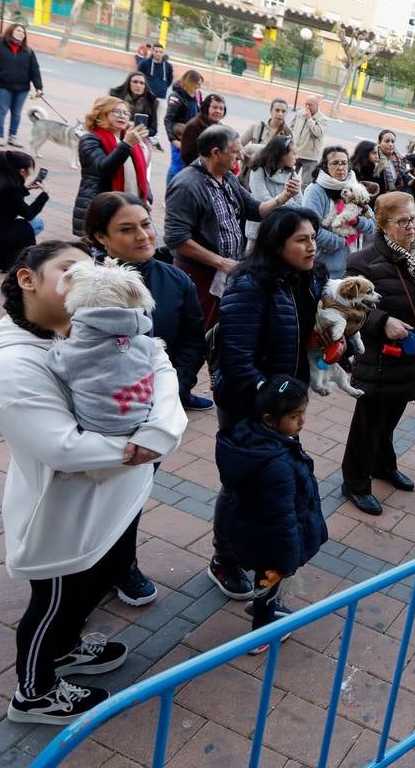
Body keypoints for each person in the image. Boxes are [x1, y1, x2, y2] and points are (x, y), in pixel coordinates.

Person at [0, 241, 186, 723]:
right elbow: (61, 447)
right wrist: (141, 447)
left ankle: (67, 648)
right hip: (61, 516)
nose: (86, 279)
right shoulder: (13, 362)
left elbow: (161, 368)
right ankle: (34, 692)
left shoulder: (101, 333)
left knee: (92, 587)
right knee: (55, 601)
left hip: (114, 499)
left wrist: (159, 431)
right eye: (69, 269)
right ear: (28, 278)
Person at [82, 192, 211, 607]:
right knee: (84, 495)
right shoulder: (81, 281)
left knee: (133, 490)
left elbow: (192, 339)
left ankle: (122, 566)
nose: (143, 234)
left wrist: (173, 388)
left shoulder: (174, 280)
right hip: (90, 414)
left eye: (145, 223)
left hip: (150, 412)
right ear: (100, 237)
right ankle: (78, 570)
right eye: (127, 228)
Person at [210, 208, 325, 594]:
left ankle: (261, 560)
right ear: (277, 245)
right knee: (242, 484)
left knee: (275, 485)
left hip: (283, 403)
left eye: (313, 237)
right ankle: (224, 560)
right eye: (302, 240)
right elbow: (236, 358)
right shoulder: (249, 284)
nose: (312, 246)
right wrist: (275, 404)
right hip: (249, 403)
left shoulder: (307, 278)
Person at [340, 192, 415, 515]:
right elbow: (348, 307)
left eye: (414, 218)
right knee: (368, 422)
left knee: (393, 413)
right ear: (383, 225)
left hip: (412, 351)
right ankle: (355, 482)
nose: (412, 226)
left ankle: (383, 464)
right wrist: (381, 321)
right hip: (380, 356)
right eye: (403, 221)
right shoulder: (363, 262)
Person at [215, 376, 326, 648]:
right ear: (269, 419)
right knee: (269, 580)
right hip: (269, 541)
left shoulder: (250, 435)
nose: (302, 422)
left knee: (265, 579)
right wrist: (286, 563)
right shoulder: (276, 464)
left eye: (303, 413)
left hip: (250, 528)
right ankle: (261, 634)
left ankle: (264, 610)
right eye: (294, 416)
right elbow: (282, 519)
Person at [164, 124, 300, 330]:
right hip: (198, 276)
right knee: (196, 334)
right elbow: (177, 239)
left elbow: (255, 209)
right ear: (216, 153)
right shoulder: (186, 185)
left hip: (222, 272)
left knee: (216, 331)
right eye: (236, 152)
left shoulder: (227, 177)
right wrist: (220, 262)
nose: (241, 157)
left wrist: (284, 197)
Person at [72, 96, 152, 238]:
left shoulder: (128, 139)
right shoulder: (90, 139)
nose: (122, 116)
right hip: (103, 208)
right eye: (116, 111)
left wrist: (147, 198)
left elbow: (140, 174)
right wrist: (127, 144)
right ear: (101, 113)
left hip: (131, 207)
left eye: (126, 113)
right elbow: (103, 170)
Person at [303, 145, 375, 278]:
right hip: (325, 268)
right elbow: (311, 229)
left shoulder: (356, 189)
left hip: (354, 266)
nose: (340, 167)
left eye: (344, 163)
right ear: (325, 166)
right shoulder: (315, 191)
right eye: (335, 163)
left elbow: (372, 225)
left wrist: (357, 221)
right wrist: (342, 242)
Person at [0, 24, 43, 147]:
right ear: (10, 31)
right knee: (2, 109)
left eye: (23, 32)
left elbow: (34, 69)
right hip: (3, 85)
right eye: (18, 31)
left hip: (23, 88)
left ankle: (12, 136)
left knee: (17, 112)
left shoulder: (28, 51)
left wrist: (39, 87)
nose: (21, 34)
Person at [247, 134, 304, 243]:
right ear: (282, 154)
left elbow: (300, 201)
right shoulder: (259, 169)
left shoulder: (292, 173)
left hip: (282, 230)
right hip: (259, 230)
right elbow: (262, 198)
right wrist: (286, 204)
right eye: (294, 153)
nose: (297, 157)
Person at [163, 70, 203, 179]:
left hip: (191, 137)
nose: (199, 87)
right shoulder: (176, 96)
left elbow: (200, 112)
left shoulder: (197, 94)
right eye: (197, 84)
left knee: (184, 167)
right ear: (190, 82)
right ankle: (172, 193)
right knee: (177, 168)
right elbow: (168, 119)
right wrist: (173, 140)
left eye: (200, 84)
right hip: (179, 136)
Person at [106, 71, 158, 146]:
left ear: (145, 86)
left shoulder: (151, 101)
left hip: (136, 138)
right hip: (114, 133)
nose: (138, 85)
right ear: (128, 83)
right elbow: (105, 117)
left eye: (141, 83)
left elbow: (153, 130)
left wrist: (140, 130)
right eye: (135, 82)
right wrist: (125, 124)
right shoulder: (115, 96)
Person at [135, 42, 174, 143]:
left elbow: (169, 80)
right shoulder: (144, 63)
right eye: (156, 51)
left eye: (160, 52)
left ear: (163, 53)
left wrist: (162, 88)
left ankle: (155, 140)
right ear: (152, 51)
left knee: (159, 120)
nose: (158, 54)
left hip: (161, 97)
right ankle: (139, 135)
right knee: (143, 116)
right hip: (147, 96)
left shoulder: (168, 66)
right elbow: (139, 75)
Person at [181, 94, 228, 166]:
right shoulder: (193, 126)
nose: (218, 111)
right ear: (206, 108)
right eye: (215, 107)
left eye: (221, 109)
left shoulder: (220, 127)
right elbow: (188, 156)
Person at [288, 95, 325, 180]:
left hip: (310, 156)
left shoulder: (323, 119)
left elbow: (318, 133)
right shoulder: (300, 113)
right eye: (306, 104)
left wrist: (309, 119)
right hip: (295, 152)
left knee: (306, 183)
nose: (307, 107)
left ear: (317, 105)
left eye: (310, 105)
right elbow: (291, 127)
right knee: (288, 178)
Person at [374, 129, 403, 195]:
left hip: (394, 195)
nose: (390, 144)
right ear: (379, 142)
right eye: (387, 141)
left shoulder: (399, 159)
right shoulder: (374, 158)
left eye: (392, 142)